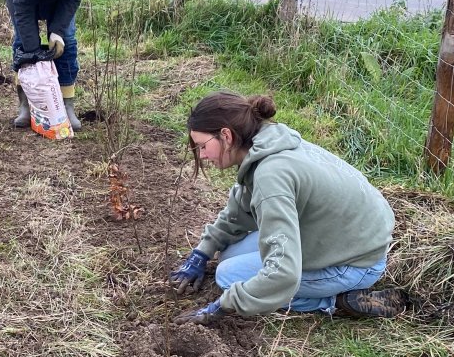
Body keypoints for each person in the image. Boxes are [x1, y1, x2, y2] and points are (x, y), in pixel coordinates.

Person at [169, 91, 407, 325]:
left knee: (229, 276)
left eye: (202, 146)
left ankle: (335, 300)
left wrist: (222, 306)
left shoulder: (271, 175)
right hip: (337, 235)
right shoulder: (266, 144)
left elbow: (283, 274)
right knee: (228, 253)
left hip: (355, 262)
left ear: (226, 135)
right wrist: (200, 254)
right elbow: (235, 214)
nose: (201, 156)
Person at [2, 0, 103, 131]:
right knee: (24, 38)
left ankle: (66, 106)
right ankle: (27, 104)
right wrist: (34, 54)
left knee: (66, 39)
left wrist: (56, 30)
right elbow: (23, 6)